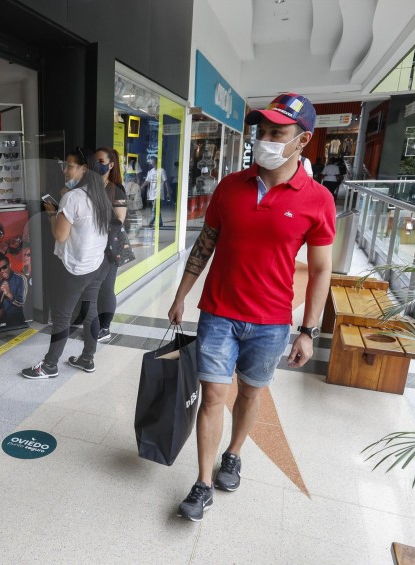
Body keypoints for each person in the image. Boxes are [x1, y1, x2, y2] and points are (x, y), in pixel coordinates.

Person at [167, 93, 335, 522]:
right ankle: (203, 484)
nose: (265, 139)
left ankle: (235, 454)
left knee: (251, 393)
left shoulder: (317, 200)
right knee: (213, 396)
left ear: (303, 141)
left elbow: (319, 272)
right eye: (261, 131)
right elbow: (206, 243)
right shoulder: (230, 187)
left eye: (277, 133)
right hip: (219, 312)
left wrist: (308, 331)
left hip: (272, 322)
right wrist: (182, 292)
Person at [21, 147, 111, 379]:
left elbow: (60, 235)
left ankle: (50, 365)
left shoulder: (72, 198)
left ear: (84, 169)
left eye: (70, 166)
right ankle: (87, 358)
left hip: (74, 268)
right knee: (90, 311)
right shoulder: (99, 193)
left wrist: (53, 212)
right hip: (96, 265)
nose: (65, 170)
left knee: (62, 316)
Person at [94, 147, 127, 343]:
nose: (96, 164)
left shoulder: (116, 190)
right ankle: (94, 322)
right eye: (94, 161)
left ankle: (105, 327)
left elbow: (119, 220)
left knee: (106, 288)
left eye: (101, 161)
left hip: (109, 247)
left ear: (110, 164)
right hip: (92, 246)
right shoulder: (90, 187)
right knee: (93, 288)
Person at [0, 252, 28, 327]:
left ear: (10, 265)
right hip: (6, 316)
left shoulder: (21, 279)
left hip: (19, 315)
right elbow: (1, 304)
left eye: (4, 267)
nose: (2, 271)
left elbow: (22, 303)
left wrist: (8, 293)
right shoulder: (0, 284)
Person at [141, 156, 167, 227]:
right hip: (152, 193)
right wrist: (141, 187)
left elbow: (166, 181)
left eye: (153, 162)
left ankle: (151, 222)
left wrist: (168, 192)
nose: (152, 163)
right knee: (156, 209)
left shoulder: (161, 171)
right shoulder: (151, 171)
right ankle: (160, 222)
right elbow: (147, 181)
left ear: (156, 162)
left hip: (159, 193)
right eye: (151, 162)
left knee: (154, 209)